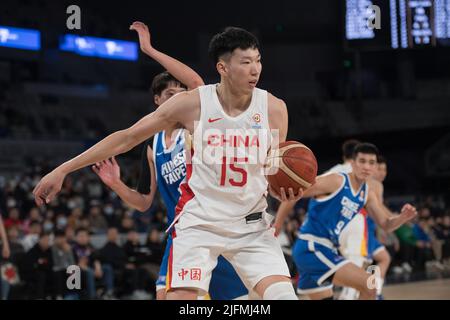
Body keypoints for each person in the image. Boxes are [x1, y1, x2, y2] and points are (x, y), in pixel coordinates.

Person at [33, 26, 302, 300]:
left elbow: (274, 167)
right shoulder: (192, 104)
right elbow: (127, 138)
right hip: (199, 223)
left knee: (283, 296)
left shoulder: (274, 108)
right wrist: (63, 169)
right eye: (246, 62)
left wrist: (284, 187)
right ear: (223, 67)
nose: (255, 69)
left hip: (251, 225)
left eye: (257, 60)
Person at [93, 22, 250, 300]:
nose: (178, 99)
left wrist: (149, 49)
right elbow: (143, 203)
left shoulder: (192, 130)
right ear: (157, 100)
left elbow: (197, 84)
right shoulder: (152, 147)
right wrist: (116, 184)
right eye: (169, 94)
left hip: (215, 227)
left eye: (181, 94)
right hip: (181, 233)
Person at [274, 143, 417, 300]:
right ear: (353, 163)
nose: (366, 167)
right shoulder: (337, 181)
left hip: (326, 249)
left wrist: (402, 217)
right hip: (312, 247)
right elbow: (296, 191)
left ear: (375, 167)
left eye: (371, 163)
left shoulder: (367, 195)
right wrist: (278, 224)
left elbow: (385, 224)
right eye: (362, 161)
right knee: (370, 285)